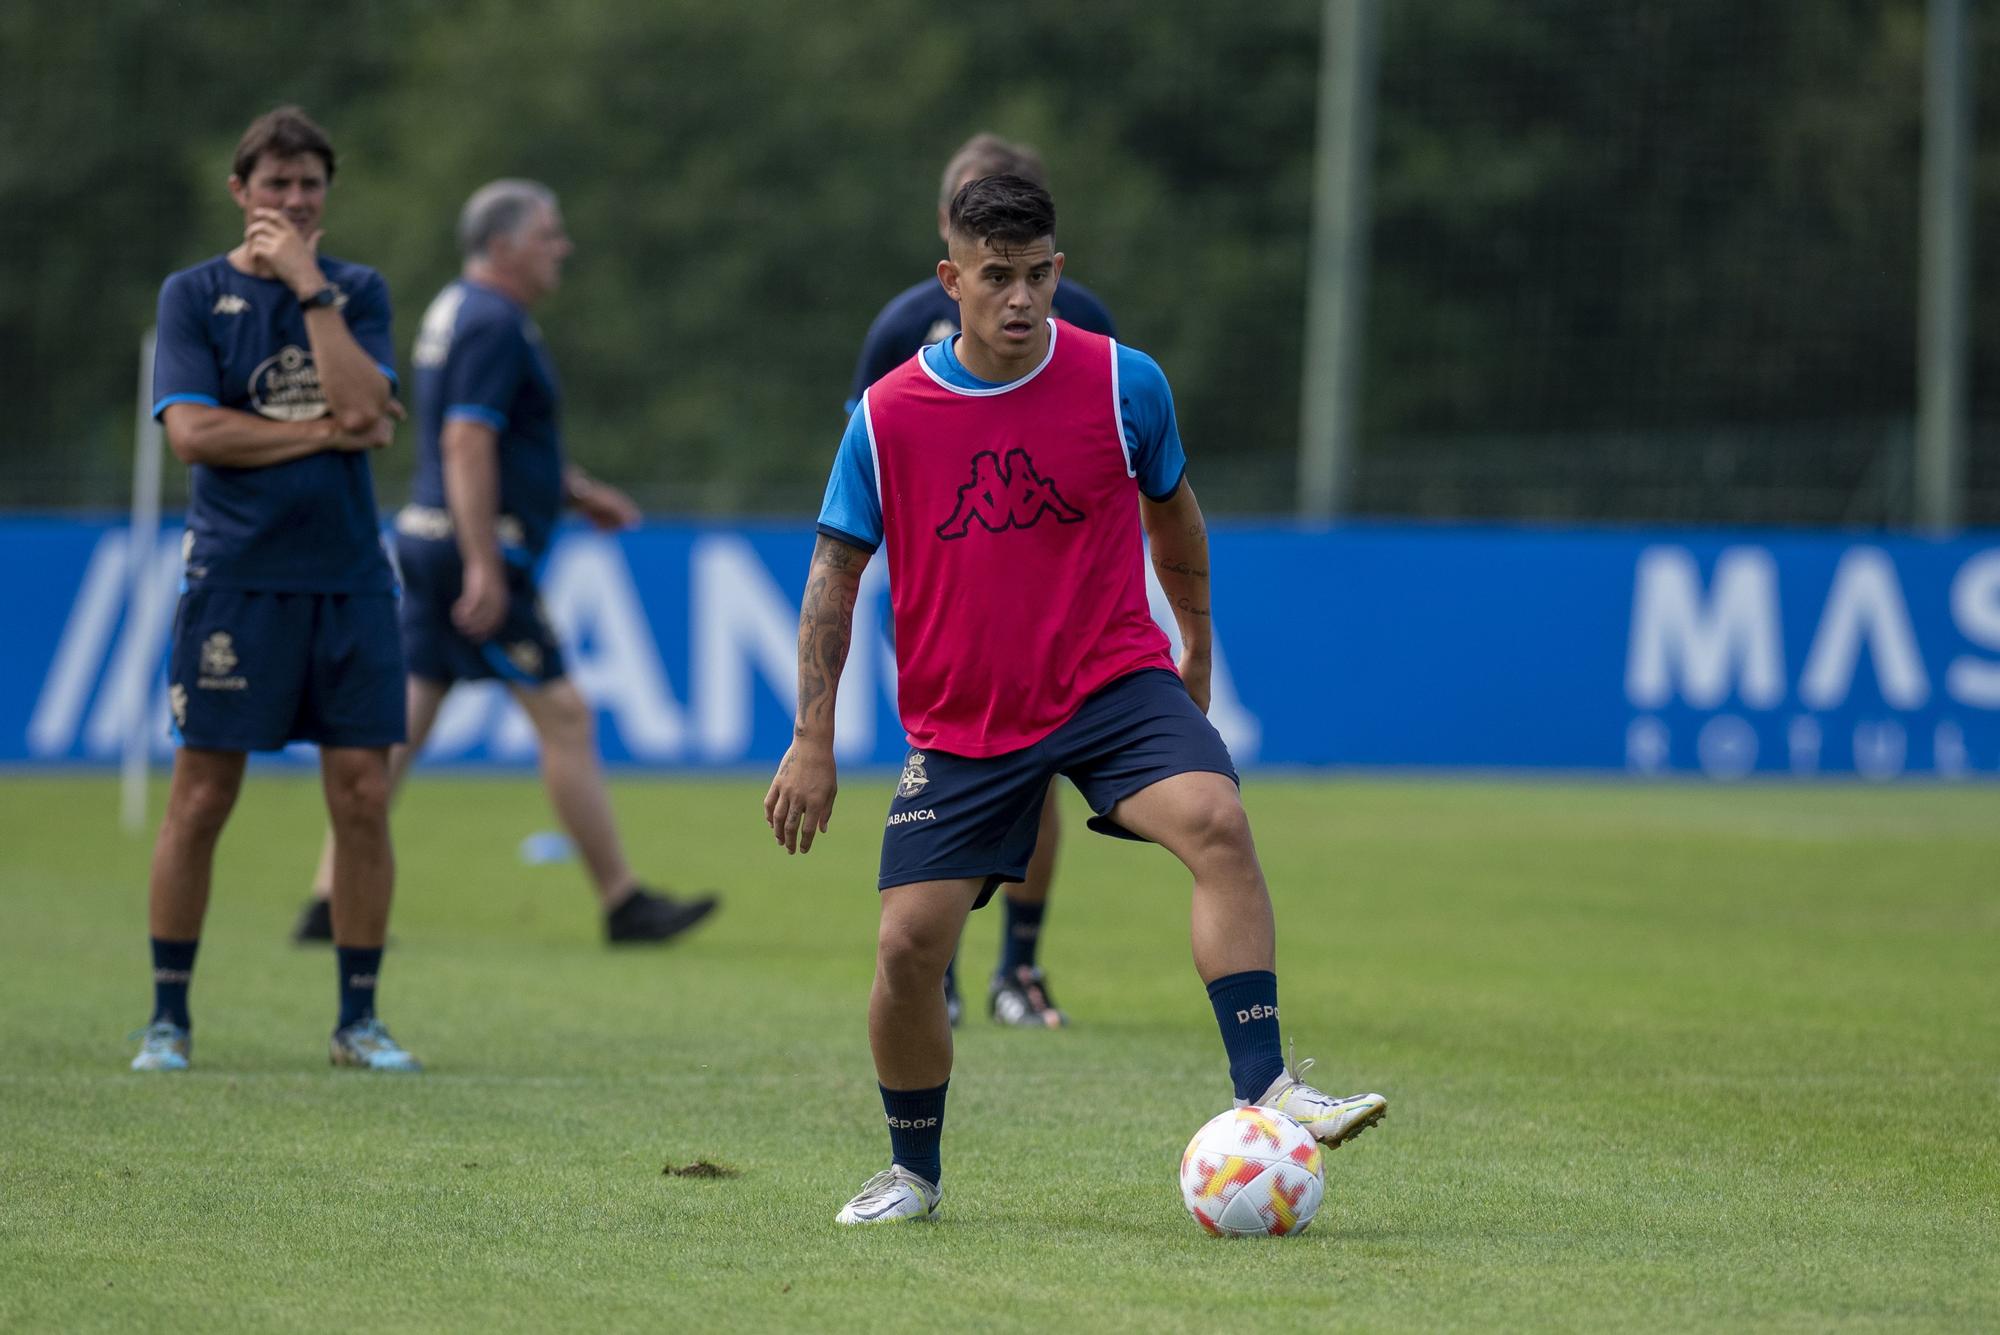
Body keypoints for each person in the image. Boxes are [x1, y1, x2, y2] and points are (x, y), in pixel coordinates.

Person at [765, 174, 1388, 1224]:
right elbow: (833, 577)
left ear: (1059, 268)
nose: (1019, 299)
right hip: (965, 721)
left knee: (1217, 824)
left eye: (1039, 274)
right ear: (949, 280)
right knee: (906, 949)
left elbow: (1174, 519)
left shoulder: (1122, 383)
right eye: (995, 277)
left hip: (1109, 683)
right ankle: (912, 1173)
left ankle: (1265, 1089)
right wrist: (809, 741)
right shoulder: (885, 418)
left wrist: (1192, 645)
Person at [289, 179, 719, 947]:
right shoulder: (496, 323)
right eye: (548, 234)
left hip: (429, 537)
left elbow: (508, 444)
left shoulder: (459, 309)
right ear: (503, 246)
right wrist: (485, 560)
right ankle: (624, 903)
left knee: (406, 724)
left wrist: (578, 492)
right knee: (565, 716)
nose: (562, 248)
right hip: (471, 549)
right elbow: (467, 440)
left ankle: (328, 898)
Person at [133, 106, 420, 1073]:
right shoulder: (192, 295)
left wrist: (308, 291)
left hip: (348, 581)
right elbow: (194, 436)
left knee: (363, 794)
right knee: (203, 794)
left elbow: (363, 405)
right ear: (240, 192)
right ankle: (168, 1019)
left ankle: (359, 1021)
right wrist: (322, 435)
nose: (294, 201)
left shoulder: (355, 289)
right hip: (235, 580)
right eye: (276, 185)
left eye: (309, 186)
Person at [846, 133, 1121, 1031]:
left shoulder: (1082, 324)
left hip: (1052, 606)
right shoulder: (898, 328)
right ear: (947, 237)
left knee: (1037, 779)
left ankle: (1020, 967)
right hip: (939, 595)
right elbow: (862, 467)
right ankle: (946, 972)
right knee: (950, 767)